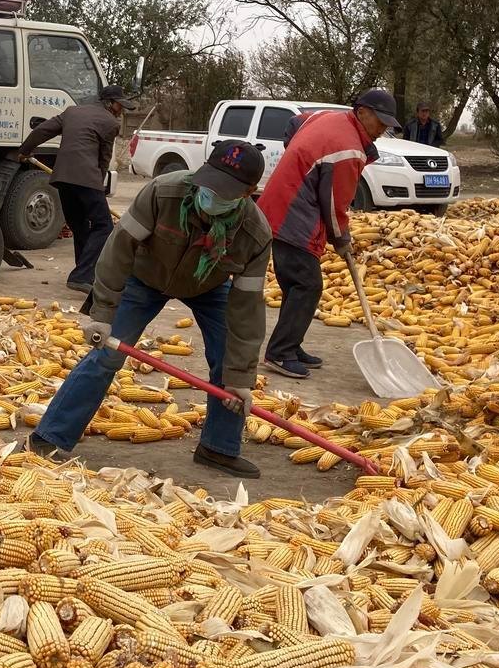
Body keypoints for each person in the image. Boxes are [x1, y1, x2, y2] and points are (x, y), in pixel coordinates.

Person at [27, 140, 271, 478]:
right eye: (210, 183)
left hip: (209, 286)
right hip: (145, 276)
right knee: (106, 354)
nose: (212, 194)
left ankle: (218, 447)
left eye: (225, 191)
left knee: (229, 362)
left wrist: (241, 378)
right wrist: (102, 314)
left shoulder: (255, 234)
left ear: (249, 192)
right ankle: (50, 436)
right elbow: (118, 250)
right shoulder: (163, 193)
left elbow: (247, 308)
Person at [258, 88, 397, 379]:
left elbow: (294, 124)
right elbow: (336, 205)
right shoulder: (348, 149)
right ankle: (280, 353)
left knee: (296, 285)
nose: (383, 129)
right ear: (361, 112)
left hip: (280, 205)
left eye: (387, 124)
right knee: (307, 286)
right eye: (380, 121)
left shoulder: (326, 118)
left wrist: (297, 157)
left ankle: (291, 346)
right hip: (293, 216)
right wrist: (342, 240)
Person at [17, 84, 135, 293]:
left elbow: (43, 130)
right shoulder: (110, 122)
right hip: (86, 178)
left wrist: (25, 151)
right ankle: (82, 275)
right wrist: (98, 185)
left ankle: (84, 273)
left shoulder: (72, 112)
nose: (121, 110)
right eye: (120, 105)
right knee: (103, 226)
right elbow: (104, 158)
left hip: (62, 178)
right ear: (110, 103)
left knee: (80, 226)